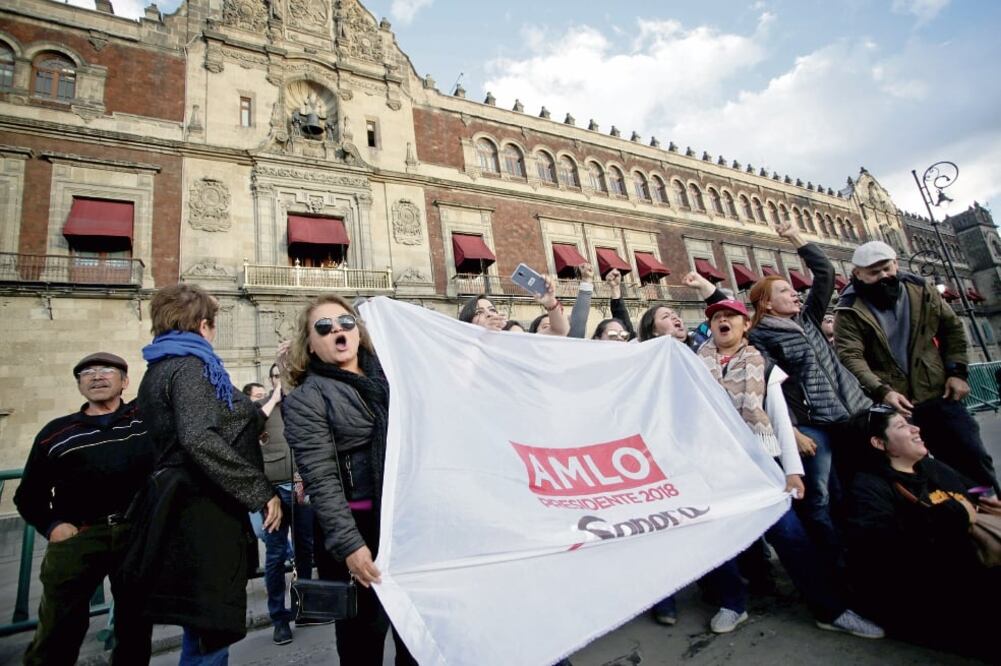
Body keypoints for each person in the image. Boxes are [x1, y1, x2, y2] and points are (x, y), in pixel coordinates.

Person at [695, 300, 883, 639]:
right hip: (713, 467)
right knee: (718, 539)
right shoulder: (691, 367)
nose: (723, 320)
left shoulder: (763, 365)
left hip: (760, 465)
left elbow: (780, 418)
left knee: (790, 535)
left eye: (730, 316)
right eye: (717, 316)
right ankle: (733, 604)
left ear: (745, 325)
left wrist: (792, 471)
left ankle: (830, 610)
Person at [121, 283, 281, 665]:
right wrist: (259, 490)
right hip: (199, 510)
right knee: (210, 627)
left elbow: (220, 423)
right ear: (205, 325)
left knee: (202, 629)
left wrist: (273, 396)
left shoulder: (163, 365)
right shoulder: (191, 367)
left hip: (186, 504)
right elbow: (198, 436)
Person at [282, 294, 417, 665]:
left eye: (345, 322)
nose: (337, 331)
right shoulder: (306, 399)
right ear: (310, 343)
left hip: (407, 527)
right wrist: (351, 548)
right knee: (362, 642)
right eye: (323, 327)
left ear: (358, 332)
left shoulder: (393, 378)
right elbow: (321, 480)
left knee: (415, 636)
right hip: (358, 531)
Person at [14, 352, 155, 666]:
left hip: (135, 536)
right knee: (58, 629)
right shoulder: (57, 433)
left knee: (135, 627)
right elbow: (28, 495)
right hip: (80, 536)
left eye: (107, 370)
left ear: (125, 382)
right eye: (87, 373)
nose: (97, 376)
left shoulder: (144, 421)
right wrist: (53, 526)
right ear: (79, 385)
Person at [743, 222, 871, 564]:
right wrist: (793, 431)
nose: (794, 294)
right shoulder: (760, 338)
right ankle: (834, 562)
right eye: (784, 292)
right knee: (821, 497)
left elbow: (825, 273)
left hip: (851, 413)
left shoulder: (810, 320)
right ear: (767, 304)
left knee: (859, 487)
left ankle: (866, 554)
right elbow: (769, 389)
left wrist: (796, 237)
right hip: (812, 424)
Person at [835, 240, 999, 494]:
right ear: (857, 274)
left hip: (938, 390)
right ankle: (957, 517)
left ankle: (990, 509)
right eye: (874, 272)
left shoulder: (921, 289)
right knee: (922, 469)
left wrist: (957, 372)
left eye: (887, 268)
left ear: (896, 264)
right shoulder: (848, 309)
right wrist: (882, 390)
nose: (883, 276)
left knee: (971, 454)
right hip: (896, 401)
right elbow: (850, 355)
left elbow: (952, 329)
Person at [846, 406, 1001, 657]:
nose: (915, 429)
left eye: (909, 423)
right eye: (901, 426)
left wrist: (988, 499)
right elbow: (886, 553)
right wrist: (956, 515)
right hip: (938, 594)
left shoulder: (930, 467)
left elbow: (973, 488)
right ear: (878, 442)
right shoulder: (868, 489)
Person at [256, 361, 318, 646]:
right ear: (270, 380)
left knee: (305, 549)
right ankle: (279, 619)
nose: (281, 381)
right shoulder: (264, 407)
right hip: (274, 492)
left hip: (301, 488)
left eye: (285, 376)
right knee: (275, 555)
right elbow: (249, 434)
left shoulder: (305, 403)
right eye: (276, 377)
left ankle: (303, 607)